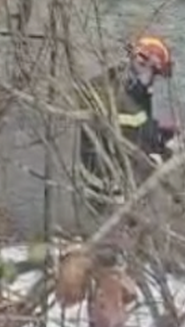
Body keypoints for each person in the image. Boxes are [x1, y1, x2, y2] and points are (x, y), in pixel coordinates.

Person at [75, 34, 179, 203]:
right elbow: (137, 152)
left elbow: (135, 126)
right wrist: (167, 150)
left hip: (90, 178)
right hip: (111, 189)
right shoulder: (124, 101)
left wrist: (161, 131)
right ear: (144, 66)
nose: (154, 81)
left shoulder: (110, 82)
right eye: (154, 74)